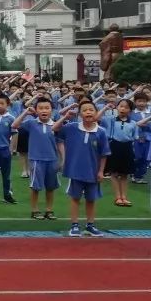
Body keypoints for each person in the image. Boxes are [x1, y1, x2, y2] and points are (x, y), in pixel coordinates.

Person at [53, 99, 109, 237]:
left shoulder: (101, 132)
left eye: (91, 109)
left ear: (96, 113)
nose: (88, 112)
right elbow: (54, 128)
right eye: (84, 110)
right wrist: (65, 117)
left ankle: (90, 225)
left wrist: (101, 171)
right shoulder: (72, 127)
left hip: (93, 172)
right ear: (79, 114)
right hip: (75, 171)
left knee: (91, 199)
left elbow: (104, 154)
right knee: (75, 198)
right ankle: (75, 225)